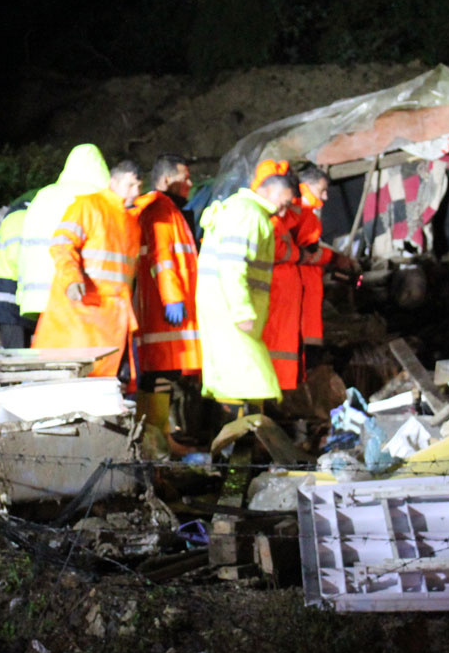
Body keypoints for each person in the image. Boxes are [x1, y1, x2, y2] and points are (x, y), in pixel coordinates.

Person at [196, 172, 296, 421]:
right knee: (243, 379)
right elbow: (232, 266)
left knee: (244, 378)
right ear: (271, 190)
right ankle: (240, 447)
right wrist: (242, 311)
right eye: (284, 203)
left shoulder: (245, 211)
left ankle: (244, 446)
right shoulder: (248, 215)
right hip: (230, 311)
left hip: (225, 308)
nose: (283, 213)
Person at [31, 160, 143, 379]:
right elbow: (62, 244)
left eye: (139, 186)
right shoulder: (88, 207)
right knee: (76, 377)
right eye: (130, 185)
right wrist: (72, 279)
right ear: (114, 182)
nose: (135, 192)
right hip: (83, 312)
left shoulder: (131, 222)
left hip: (111, 316)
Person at [133, 154, 201, 443]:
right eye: (184, 178)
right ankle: (157, 441)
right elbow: (162, 259)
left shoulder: (167, 209)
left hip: (163, 305)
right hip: (164, 309)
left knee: (160, 374)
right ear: (165, 180)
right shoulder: (160, 209)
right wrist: (172, 297)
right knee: (162, 372)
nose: (190, 183)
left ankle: (155, 438)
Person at [16, 143, 110, 320]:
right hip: (77, 295)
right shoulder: (94, 196)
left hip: (36, 296)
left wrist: (23, 294)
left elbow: (25, 250)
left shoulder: (43, 195)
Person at [296, 165, 357, 368]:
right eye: (321, 190)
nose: (325, 197)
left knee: (309, 348)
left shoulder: (306, 214)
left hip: (307, 295)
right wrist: (333, 258)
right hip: (299, 295)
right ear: (307, 186)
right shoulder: (300, 214)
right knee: (304, 354)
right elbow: (306, 253)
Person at [251, 160, 305, 392]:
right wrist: (300, 255)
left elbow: (294, 214)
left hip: (278, 301)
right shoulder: (262, 220)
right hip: (270, 299)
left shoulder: (277, 219)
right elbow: (278, 251)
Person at [0, 197, 31, 348]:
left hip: (2, 297)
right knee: (22, 360)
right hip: (17, 295)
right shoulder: (30, 219)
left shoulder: (12, 218)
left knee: (15, 360)